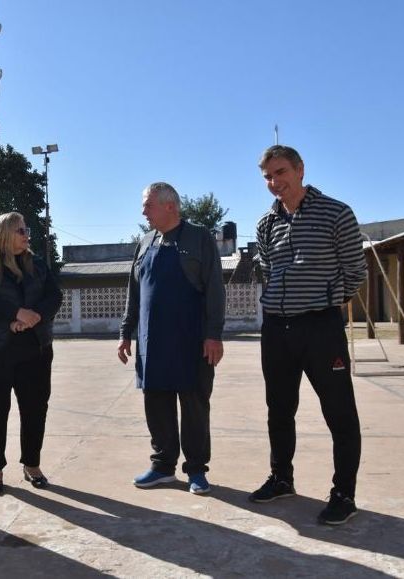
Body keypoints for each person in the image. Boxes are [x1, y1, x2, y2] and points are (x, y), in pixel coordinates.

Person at [250, 145, 367, 525]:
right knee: (279, 410)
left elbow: (356, 271)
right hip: (276, 329)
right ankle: (282, 478)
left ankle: (343, 494)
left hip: (320, 328)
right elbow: (268, 268)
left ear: (300, 170)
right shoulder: (265, 223)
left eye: (280, 172)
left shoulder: (336, 213)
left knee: (339, 413)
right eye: (267, 176)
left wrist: (325, 301)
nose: (274, 182)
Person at [118, 182, 225, 495]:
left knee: (194, 406)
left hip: (192, 339)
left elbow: (215, 289)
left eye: (148, 205)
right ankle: (163, 466)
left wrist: (213, 334)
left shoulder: (199, 238)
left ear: (170, 206)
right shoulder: (144, 242)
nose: (143, 211)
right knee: (157, 403)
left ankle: (196, 471)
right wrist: (126, 332)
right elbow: (134, 292)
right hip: (152, 342)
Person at [0, 212, 62, 495]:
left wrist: (34, 317)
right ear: (4, 233)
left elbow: (53, 296)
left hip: (35, 346)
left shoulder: (37, 262)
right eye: (21, 230)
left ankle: (32, 465)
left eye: (26, 229)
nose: (26, 234)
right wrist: (15, 313)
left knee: (35, 408)